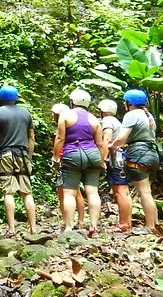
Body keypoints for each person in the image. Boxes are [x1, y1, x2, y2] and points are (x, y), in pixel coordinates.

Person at [54, 89, 106, 236]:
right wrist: (101, 161)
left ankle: (70, 227)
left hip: (72, 153)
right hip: (93, 154)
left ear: (72, 102)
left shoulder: (65, 115)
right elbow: (100, 144)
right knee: (92, 192)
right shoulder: (94, 119)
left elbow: (60, 138)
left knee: (69, 193)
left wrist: (56, 156)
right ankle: (94, 227)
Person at [0, 85, 37, 235]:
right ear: (16, 97)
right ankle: (33, 228)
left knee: (8, 192)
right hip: (22, 154)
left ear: (1, 97)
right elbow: (31, 138)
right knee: (26, 193)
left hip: (6, 155)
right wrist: (29, 156)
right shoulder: (25, 113)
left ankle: (12, 228)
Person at [110, 89, 160, 231]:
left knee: (144, 192)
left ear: (128, 103)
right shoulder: (148, 115)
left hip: (139, 153)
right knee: (147, 192)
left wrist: (111, 146)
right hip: (152, 153)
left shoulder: (131, 115)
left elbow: (121, 138)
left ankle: (151, 227)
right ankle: (155, 224)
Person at [98, 98, 132, 232]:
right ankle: (126, 222)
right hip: (121, 158)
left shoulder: (107, 121)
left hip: (115, 159)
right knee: (122, 191)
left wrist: (103, 160)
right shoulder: (116, 121)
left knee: (120, 192)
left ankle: (124, 223)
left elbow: (106, 139)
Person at [51, 103, 86, 229]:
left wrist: (55, 158)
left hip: (64, 160)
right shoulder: (73, 125)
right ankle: (80, 221)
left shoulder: (63, 125)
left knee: (63, 193)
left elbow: (60, 142)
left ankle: (67, 221)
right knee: (76, 192)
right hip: (74, 159)